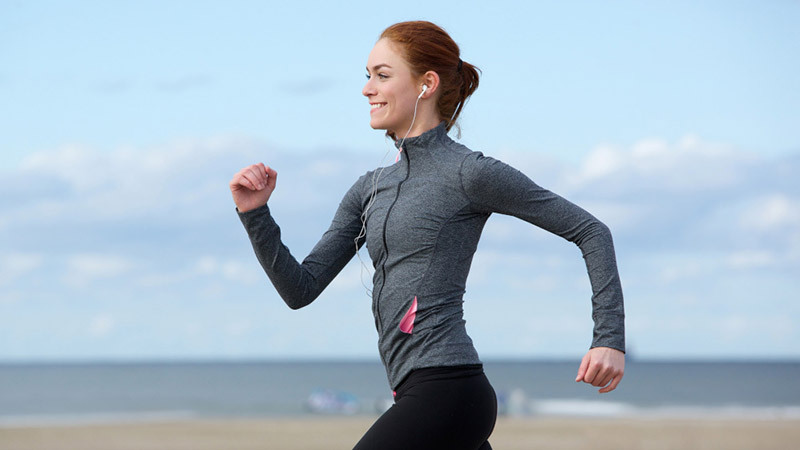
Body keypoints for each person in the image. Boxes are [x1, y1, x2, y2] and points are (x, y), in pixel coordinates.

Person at [230, 20, 625, 450]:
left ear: (426, 84)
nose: (367, 89)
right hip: (417, 394)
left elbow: (591, 230)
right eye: (367, 76)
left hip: (450, 390)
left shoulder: (468, 172)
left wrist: (608, 340)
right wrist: (256, 214)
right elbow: (300, 288)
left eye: (382, 75)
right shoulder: (369, 188)